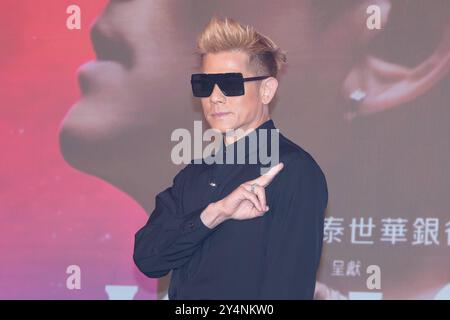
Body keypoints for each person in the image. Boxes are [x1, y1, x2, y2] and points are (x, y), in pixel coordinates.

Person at [132, 17, 328, 300]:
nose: (215, 97)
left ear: (267, 89)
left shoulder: (293, 171)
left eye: (229, 84)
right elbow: (149, 259)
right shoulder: (194, 174)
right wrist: (216, 213)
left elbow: (289, 288)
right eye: (204, 84)